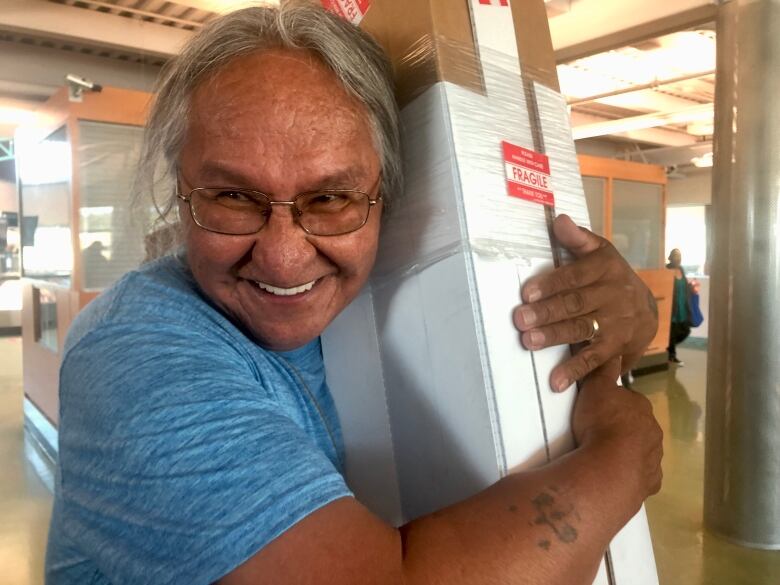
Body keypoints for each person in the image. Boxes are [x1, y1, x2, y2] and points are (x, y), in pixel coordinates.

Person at [45, 5, 662, 584]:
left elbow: (573, 341)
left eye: (330, 198)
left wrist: (627, 316)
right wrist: (621, 458)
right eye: (232, 198)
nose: (283, 256)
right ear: (182, 192)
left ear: (384, 201)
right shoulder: (134, 359)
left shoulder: (372, 295)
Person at [667, 248, 692, 365]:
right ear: (671, 258)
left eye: (680, 256)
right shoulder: (667, 269)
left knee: (685, 330)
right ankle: (672, 355)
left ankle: (668, 348)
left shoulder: (681, 269)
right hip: (672, 307)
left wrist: (691, 287)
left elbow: (685, 285)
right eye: (676, 256)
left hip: (682, 306)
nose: (678, 259)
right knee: (672, 331)